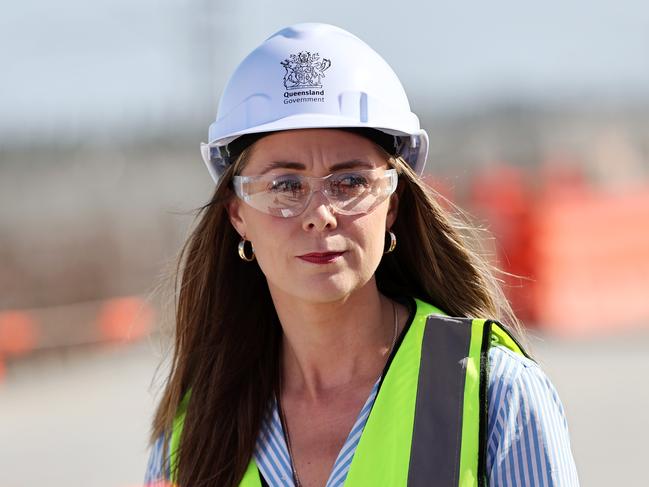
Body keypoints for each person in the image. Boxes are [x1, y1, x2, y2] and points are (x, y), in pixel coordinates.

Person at [144, 23, 579, 486]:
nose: (320, 215)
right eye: (286, 186)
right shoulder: (188, 434)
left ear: (392, 205)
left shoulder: (495, 393)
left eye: (350, 182)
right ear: (238, 216)